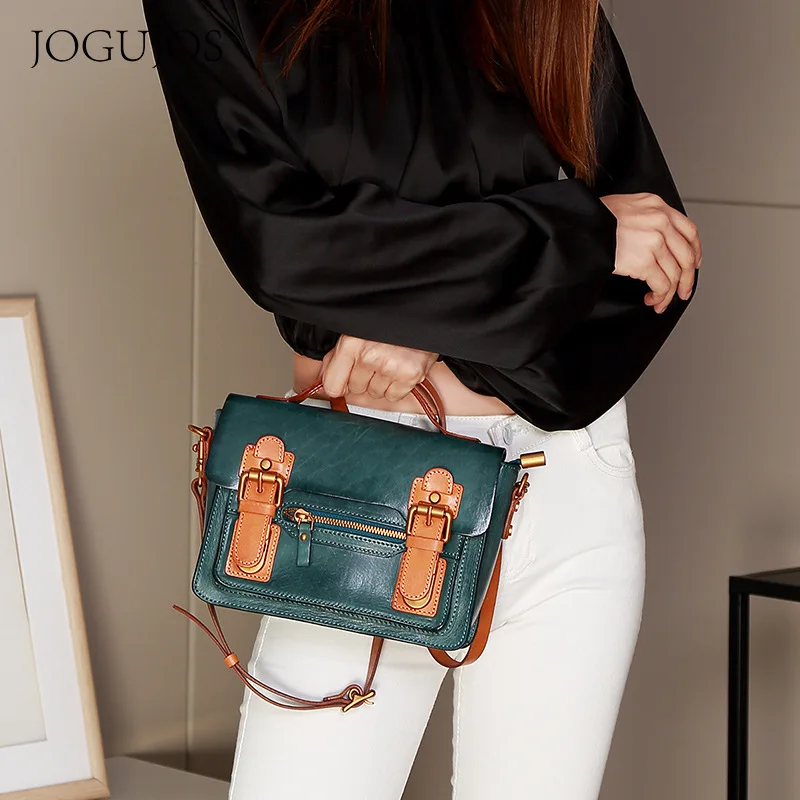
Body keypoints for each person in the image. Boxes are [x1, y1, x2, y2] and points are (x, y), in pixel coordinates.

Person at [142, 0, 701, 797]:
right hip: (357, 491)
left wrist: (423, 330)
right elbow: (284, 248)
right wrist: (574, 238)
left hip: (570, 481)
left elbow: (655, 259)